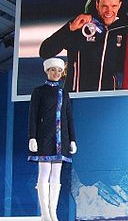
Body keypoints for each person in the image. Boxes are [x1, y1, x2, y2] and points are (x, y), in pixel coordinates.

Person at [39, 0, 128, 92]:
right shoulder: (80, 25)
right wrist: (69, 28)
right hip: (77, 96)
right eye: (104, 6)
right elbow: (45, 51)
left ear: (119, 5)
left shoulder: (122, 29)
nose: (109, 11)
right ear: (97, 5)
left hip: (108, 98)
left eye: (114, 6)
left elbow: (122, 65)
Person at [28, 57, 77, 221]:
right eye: (53, 70)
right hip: (44, 137)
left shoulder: (64, 93)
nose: (56, 73)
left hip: (61, 139)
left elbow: (69, 117)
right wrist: (32, 137)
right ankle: (45, 213)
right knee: (44, 174)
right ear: (47, 71)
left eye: (59, 70)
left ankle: (53, 212)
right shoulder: (39, 91)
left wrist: (72, 139)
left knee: (56, 175)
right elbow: (33, 116)